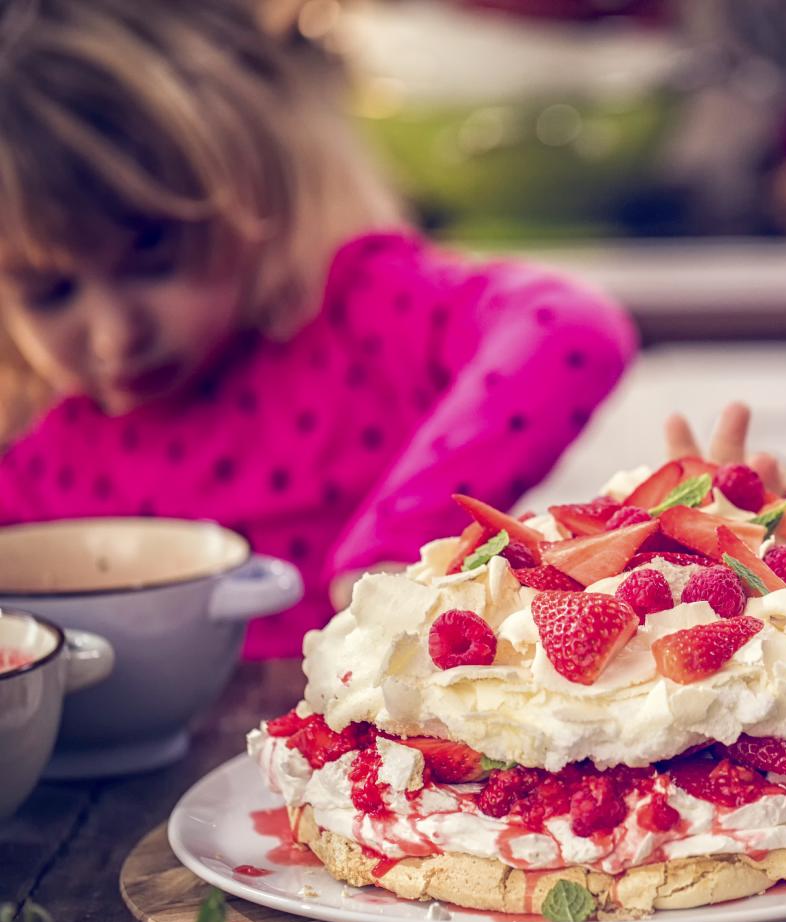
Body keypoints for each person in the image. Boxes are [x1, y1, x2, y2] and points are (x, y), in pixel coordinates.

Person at [0, 0, 636, 658]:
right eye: (51, 293)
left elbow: (570, 326)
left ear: (257, 184)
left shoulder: (365, 317)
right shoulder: (26, 470)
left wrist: (396, 543)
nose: (114, 337)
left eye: (156, 259)